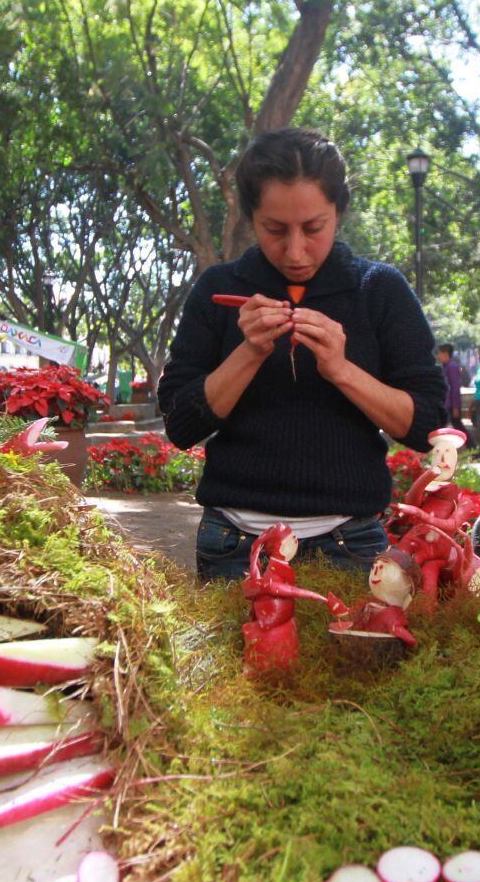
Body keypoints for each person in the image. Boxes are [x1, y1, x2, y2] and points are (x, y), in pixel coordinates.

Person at [157, 128, 446, 581]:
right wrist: (249, 352)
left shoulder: (378, 291)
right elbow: (180, 424)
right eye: (275, 230)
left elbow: (431, 423)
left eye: (314, 228)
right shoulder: (218, 290)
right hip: (233, 544)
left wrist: (341, 370)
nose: (295, 252)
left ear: (338, 213)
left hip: (350, 546)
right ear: (251, 218)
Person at [437, 343, 466, 429]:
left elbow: (455, 387)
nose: (438, 356)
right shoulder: (444, 367)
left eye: (439, 353)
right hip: (445, 404)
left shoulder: (452, 367)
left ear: (445, 354)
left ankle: (470, 443)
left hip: (451, 405)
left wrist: (455, 407)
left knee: (458, 427)